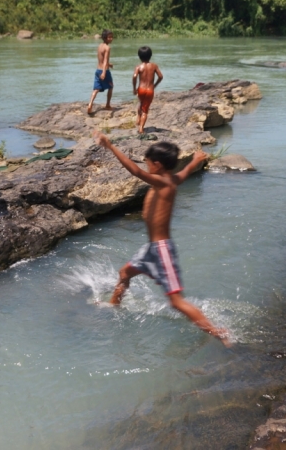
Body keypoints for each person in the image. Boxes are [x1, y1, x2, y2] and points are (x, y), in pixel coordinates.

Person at [93, 132, 231, 346]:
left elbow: (135, 171)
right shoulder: (171, 180)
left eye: (148, 162)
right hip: (151, 248)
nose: (146, 166)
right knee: (124, 273)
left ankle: (218, 333)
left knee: (176, 302)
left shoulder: (161, 183)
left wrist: (110, 146)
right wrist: (195, 160)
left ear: (157, 165)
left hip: (162, 250)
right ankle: (113, 306)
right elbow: (185, 172)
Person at [132, 46, 163, 134]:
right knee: (145, 110)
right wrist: (155, 85)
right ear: (150, 55)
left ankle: (138, 119)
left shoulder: (138, 66)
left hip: (141, 89)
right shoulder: (154, 66)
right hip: (149, 90)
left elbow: (134, 76)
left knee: (141, 103)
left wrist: (134, 88)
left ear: (139, 56)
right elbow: (160, 76)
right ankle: (141, 128)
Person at [87, 29, 114, 114]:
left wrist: (109, 64)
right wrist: (104, 72)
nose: (111, 39)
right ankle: (108, 105)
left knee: (96, 89)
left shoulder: (100, 46)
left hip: (97, 70)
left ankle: (90, 103)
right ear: (105, 38)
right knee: (111, 87)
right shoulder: (107, 47)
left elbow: (101, 60)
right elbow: (105, 61)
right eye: (109, 37)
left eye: (111, 37)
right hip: (103, 70)